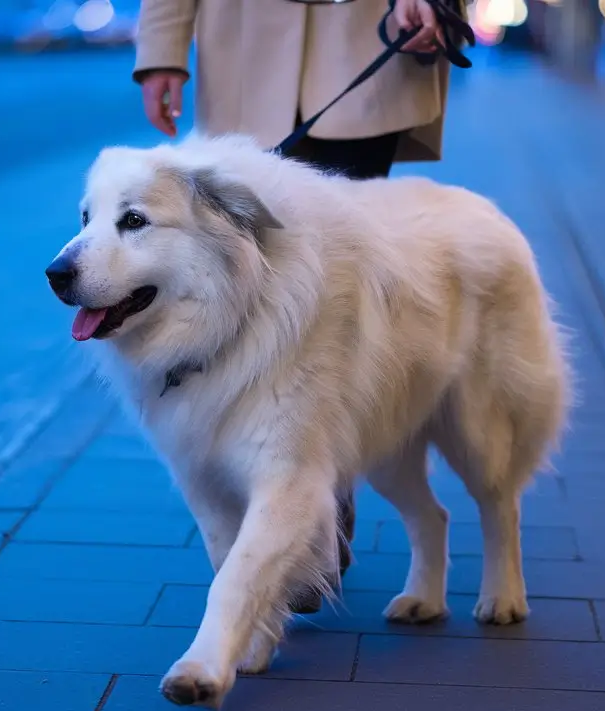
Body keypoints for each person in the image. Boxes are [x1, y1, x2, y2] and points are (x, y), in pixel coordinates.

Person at [131, 0, 456, 612]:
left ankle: (314, 516)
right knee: (251, 286)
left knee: (339, 296)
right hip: (244, 51)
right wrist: (162, 51)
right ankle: (290, 508)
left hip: (366, 40)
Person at [132, 0, 453, 181]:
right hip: (242, 51)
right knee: (244, 250)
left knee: (352, 246)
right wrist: (161, 48)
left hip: (369, 33)